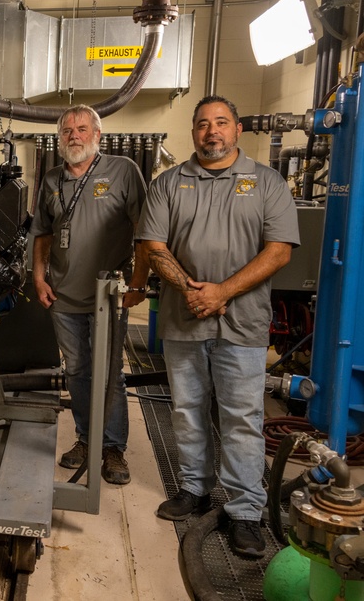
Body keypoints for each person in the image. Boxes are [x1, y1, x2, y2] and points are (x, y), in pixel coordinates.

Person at [138, 95, 299, 558]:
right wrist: (192, 288)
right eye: (203, 124)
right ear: (193, 132)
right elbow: (153, 244)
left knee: (242, 418)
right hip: (182, 318)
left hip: (243, 323)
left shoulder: (266, 183)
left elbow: (279, 251)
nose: (212, 131)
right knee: (187, 410)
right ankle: (195, 488)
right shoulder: (169, 183)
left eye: (221, 123)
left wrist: (222, 291)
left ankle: (246, 510)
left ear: (238, 129)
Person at [31, 104, 149, 485]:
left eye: (82, 129)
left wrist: (139, 281)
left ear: (97, 135)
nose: (74, 136)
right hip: (63, 293)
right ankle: (86, 438)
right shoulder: (51, 179)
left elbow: (144, 229)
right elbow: (43, 234)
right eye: (67, 130)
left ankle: (112, 446)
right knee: (78, 369)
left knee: (110, 370)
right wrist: (39, 276)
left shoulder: (123, 172)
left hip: (108, 293)